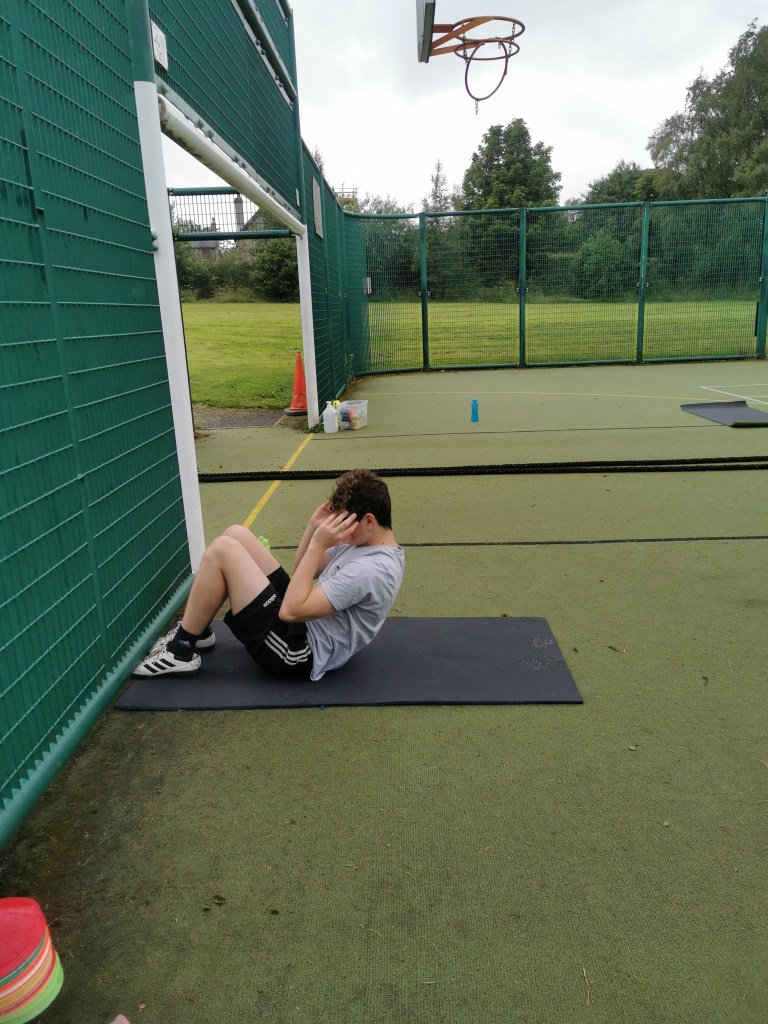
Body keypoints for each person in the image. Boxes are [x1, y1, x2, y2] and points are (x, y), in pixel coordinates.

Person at [133, 469, 404, 682]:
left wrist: (319, 545)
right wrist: (314, 527)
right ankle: (198, 631)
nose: (341, 531)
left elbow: (290, 611)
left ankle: (180, 651)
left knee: (223, 551)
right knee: (236, 534)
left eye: (346, 523)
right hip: (302, 620)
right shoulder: (364, 542)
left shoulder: (371, 571)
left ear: (369, 521)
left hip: (298, 651)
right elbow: (302, 573)